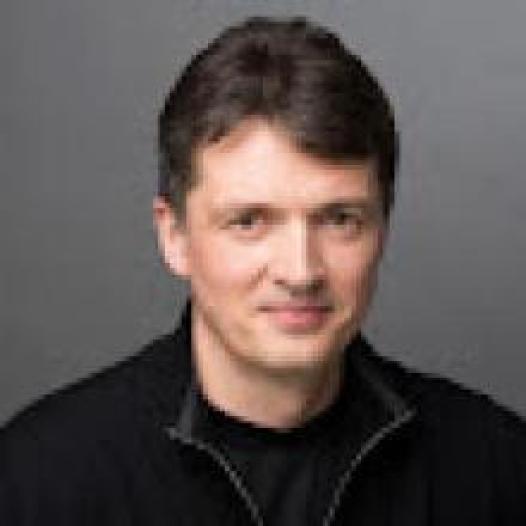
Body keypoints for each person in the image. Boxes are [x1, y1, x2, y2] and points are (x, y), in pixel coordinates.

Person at [1, 15, 525, 526]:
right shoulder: (39, 481)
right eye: (249, 221)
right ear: (174, 236)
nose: (301, 271)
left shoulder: (496, 469)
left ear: (382, 228)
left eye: (339, 220)